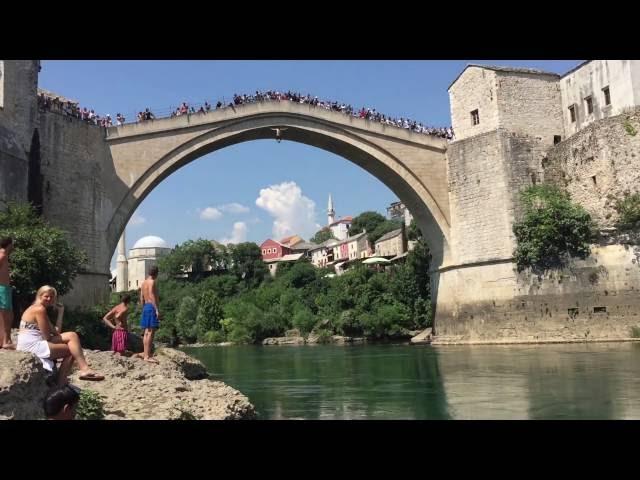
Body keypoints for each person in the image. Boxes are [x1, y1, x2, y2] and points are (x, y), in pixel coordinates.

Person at [17, 285, 104, 384]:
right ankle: (63, 380)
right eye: (46, 296)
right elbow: (47, 337)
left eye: (52, 297)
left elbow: (56, 331)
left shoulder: (37, 308)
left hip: (34, 342)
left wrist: (61, 312)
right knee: (72, 350)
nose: (49, 299)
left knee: (72, 336)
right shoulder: (39, 309)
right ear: (39, 296)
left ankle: (83, 370)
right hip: (31, 345)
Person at [139, 266, 160, 363]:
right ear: (156, 273)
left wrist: (143, 308)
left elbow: (141, 298)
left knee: (146, 332)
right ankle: (147, 356)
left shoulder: (143, 283)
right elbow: (151, 294)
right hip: (151, 306)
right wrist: (156, 309)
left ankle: (145, 354)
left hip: (146, 306)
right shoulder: (152, 282)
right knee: (151, 332)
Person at [0, 237, 15, 349]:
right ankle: (5, 342)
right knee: (6, 315)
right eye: (13, 244)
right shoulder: (2, 255)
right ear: (9, 244)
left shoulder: (4, 255)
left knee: (6, 313)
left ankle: (4, 340)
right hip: (2, 289)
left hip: (4, 287)